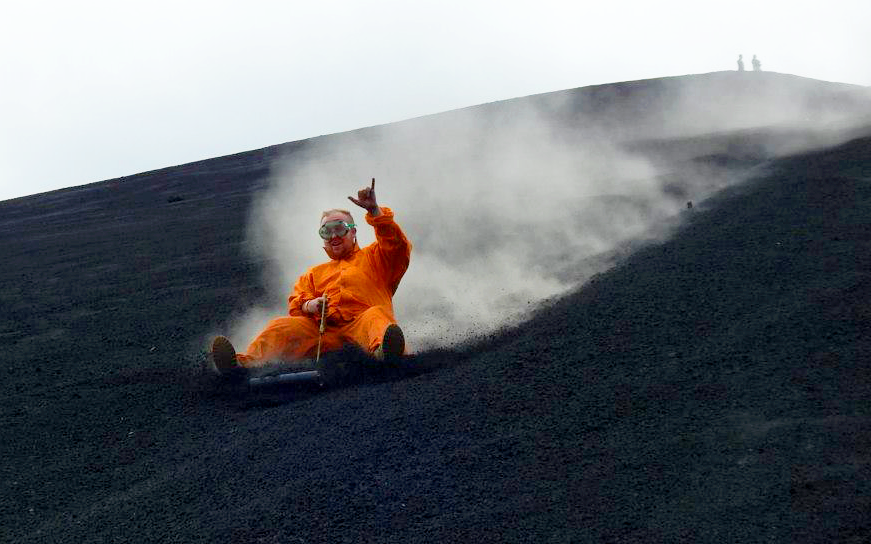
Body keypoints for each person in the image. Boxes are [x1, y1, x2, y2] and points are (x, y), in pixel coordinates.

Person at [211, 179, 411, 372]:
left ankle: (383, 353)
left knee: (376, 315)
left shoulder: (377, 257)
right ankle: (241, 366)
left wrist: (375, 211)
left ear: (353, 232)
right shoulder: (313, 274)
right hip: (323, 333)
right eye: (326, 231)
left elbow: (397, 247)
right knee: (279, 325)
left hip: (361, 328)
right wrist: (310, 305)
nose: (333, 236)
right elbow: (296, 306)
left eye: (340, 228)